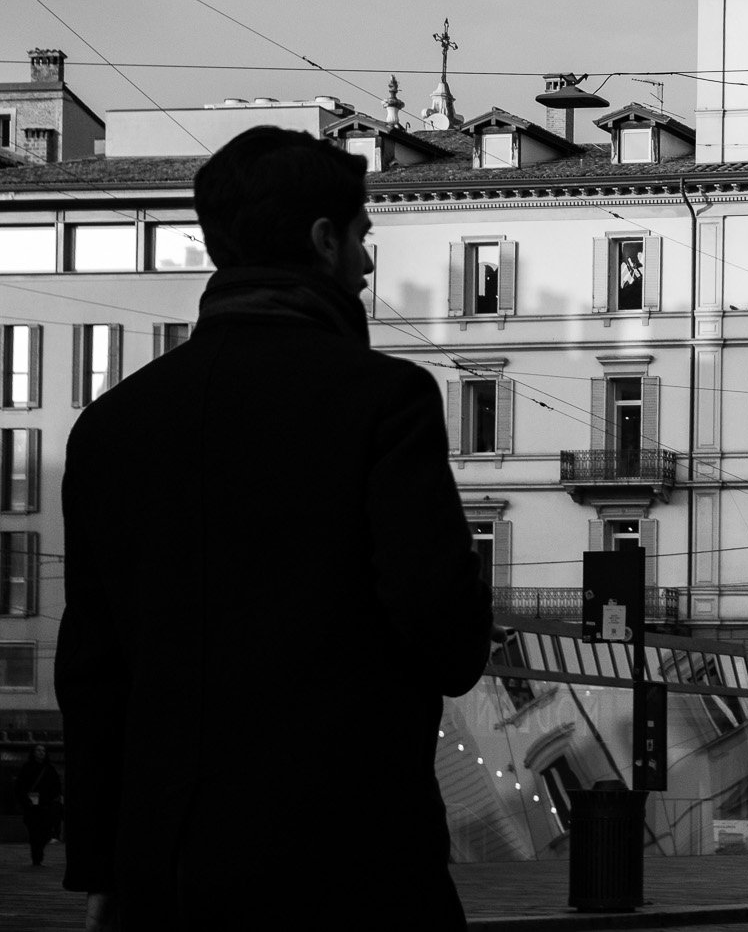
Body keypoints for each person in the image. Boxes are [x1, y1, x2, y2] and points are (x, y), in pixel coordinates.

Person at [56, 126, 494, 932]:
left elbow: (92, 672)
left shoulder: (109, 427)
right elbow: (447, 641)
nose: (367, 265)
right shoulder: (383, 401)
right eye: (363, 236)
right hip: (351, 860)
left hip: (168, 871)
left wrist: (102, 867)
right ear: (324, 240)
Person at [14, 744, 62, 867]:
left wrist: (53, 799)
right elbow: (20, 787)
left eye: (43, 751)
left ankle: (38, 854)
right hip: (31, 807)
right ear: (33, 753)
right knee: (34, 833)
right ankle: (37, 857)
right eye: (38, 750)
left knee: (45, 833)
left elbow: (56, 786)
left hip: (46, 806)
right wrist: (25, 801)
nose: (41, 753)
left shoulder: (49, 769)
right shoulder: (27, 768)